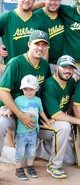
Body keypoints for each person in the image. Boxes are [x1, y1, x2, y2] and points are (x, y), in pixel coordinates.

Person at [0, 30, 50, 164]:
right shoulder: (15, 63)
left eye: (44, 45)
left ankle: (20, 152)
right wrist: (21, 114)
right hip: (11, 111)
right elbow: (3, 92)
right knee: (0, 124)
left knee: (24, 160)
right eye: (37, 44)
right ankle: (3, 151)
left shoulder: (44, 65)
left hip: (32, 111)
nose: (40, 48)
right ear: (29, 44)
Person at [41, 55, 80, 178]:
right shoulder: (50, 85)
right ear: (57, 67)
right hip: (42, 124)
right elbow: (56, 115)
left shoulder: (69, 81)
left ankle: (35, 149)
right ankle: (54, 166)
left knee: (69, 160)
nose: (67, 71)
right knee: (65, 126)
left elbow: (75, 79)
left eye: (70, 68)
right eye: (64, 67)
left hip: (54, 125)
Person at [3, 75, 53, 180]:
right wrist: (8, 110)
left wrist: (47, 120)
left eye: (31, 89)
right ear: (22, 89)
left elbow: (41, 111)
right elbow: (12, 108)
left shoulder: (38, 100)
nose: (28, 92)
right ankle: (18, 169)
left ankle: (30, 166)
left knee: (31, 151)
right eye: (25, 89)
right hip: (22, 132)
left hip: (33, 131)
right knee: (20, 151)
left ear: (37, 89)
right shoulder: (18, 99)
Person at [0, 0, 43, 73]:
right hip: (12, 71)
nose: (27, 0)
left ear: (34, 1)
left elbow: (44, 48)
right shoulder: (6, 18)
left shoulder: (39, 20)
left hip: (33, 70)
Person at [34, 0, 65, 73]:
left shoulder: (63, 14)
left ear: (60, 1)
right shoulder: (36, 15)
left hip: (62, 64)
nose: (53, 2)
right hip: (42, 63)